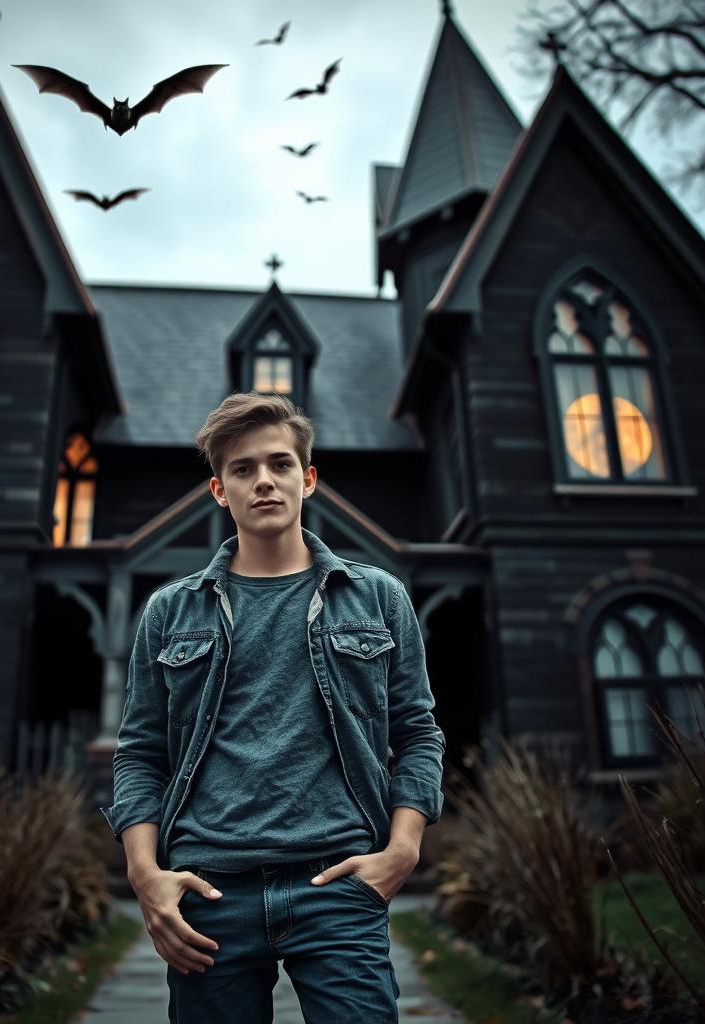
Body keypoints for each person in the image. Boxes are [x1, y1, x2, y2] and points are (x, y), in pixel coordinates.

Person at [100, 391, 446, 1024]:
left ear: (307, 479)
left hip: (338, 885)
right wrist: (145, 874)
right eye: (242, 469)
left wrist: (403, 849)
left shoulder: (378, 598)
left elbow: (419, 732)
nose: (264, 481)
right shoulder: (170, 611)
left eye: (280, 464)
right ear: (218, 490)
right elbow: (140, 754)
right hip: (210, 890)